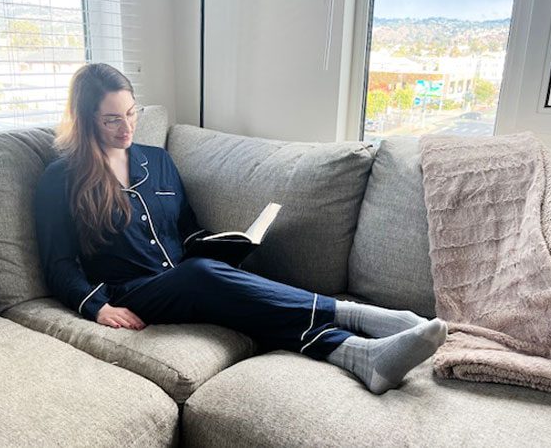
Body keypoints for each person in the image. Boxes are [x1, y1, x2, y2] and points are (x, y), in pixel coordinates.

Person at [34, 63, 447, 395]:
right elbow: (59, 262)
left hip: (184, 279)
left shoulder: (156, 160)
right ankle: (366, 316)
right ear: (86, 120)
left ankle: (358, 354)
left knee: (241, 290)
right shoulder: (61, 179)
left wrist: (225, 244)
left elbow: (186, 230)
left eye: (131, 113)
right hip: (132, 292)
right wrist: (97, 307)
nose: (127, 128)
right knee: (200, 275)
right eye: (111, 121)